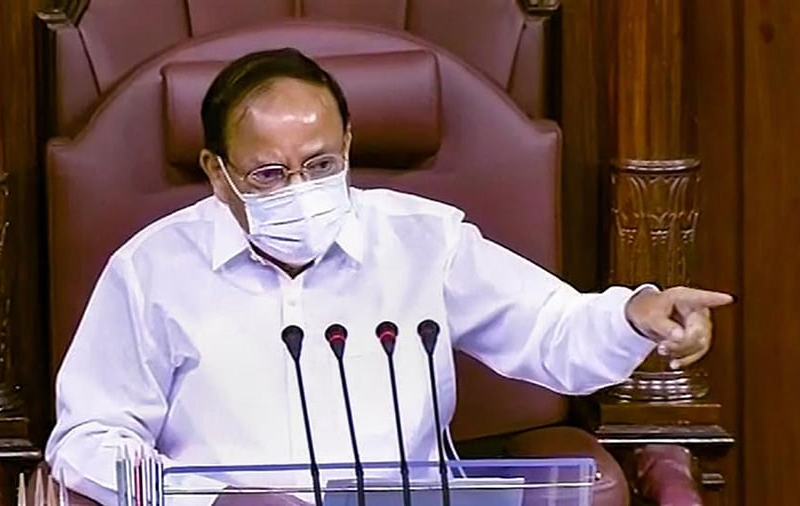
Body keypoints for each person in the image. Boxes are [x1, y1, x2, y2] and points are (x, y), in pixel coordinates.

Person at [45, 48, 733, 506]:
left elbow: (552, 330)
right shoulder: (151, 270)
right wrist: (207, 497)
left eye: (319, 164)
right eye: (268, 174)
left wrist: (636, 313)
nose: (300, 189)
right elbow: (88, 439)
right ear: (217, 173)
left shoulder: (423, 241)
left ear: (348, 146)